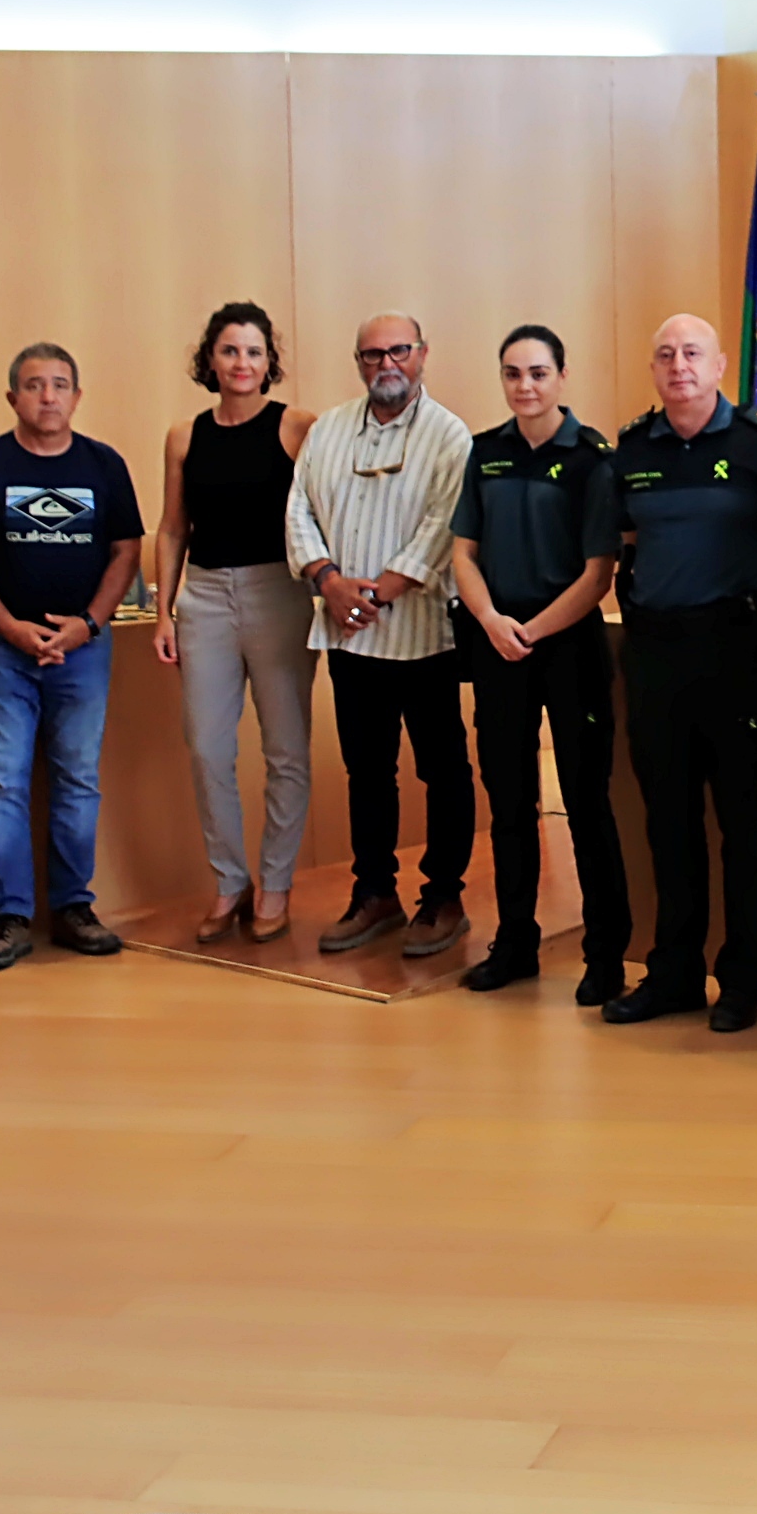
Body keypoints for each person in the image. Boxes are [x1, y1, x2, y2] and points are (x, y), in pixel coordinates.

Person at [601, 313, 757, 1033]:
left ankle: (743, 980)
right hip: (654, 651)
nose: (678, 365)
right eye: (665, 355)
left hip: (732, 648)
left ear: (719, 367)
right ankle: (674, 973)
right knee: (668, 819)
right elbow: (622, 542)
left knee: (741, 818)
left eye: (692, 353)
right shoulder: (632, 449)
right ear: (653, 370)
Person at [0, 342, 145, 973]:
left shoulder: (104, 465)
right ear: (13, 398)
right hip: (0, 650)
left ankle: (74, 908)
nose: (47, 396)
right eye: (33, 385)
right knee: (3, 780)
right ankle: (9, 918)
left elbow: (127, 551)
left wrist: (89, 624)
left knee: (77, 779)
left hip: (83, 650)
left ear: (77, 397)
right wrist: (7, 626)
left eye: (59, 385)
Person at [286, 312, 479, 961]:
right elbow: (298, 510)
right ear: (359, 362)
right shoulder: (329, 430)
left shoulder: (449, 435)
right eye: (373, 354)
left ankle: (444, 896)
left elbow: (445, 524)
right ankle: (374, 893)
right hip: (348, 636)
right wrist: (329, 581)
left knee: (442, 770)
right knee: (367, 772)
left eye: (399, 351)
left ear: (422, 354)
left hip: (425, 636)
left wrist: (378, 592)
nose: (386, 364)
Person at [448, 324, 632, 1002]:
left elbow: (598, 573)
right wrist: (493, 622)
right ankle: (515, 942)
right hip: (497, 645)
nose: (524, 385)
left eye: (537, 372)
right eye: (512, 373)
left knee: (586, 801)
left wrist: (532, 629)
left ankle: (605, 955)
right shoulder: (484, 453)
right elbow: (462, 553)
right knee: (509, 801)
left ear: (561, 376)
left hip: (569, 644)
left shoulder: (592, 458)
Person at [154, 301, 319, 943]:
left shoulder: (297, 427)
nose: (242, 363)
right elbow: (173, 528)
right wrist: (164, 611)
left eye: (254, 351)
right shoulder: (184, 435)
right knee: (207, 748)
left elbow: (322, 515)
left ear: (269, 360)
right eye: (229, 351)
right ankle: (230, 882)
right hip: (203, 597)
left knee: (287, 750)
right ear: (210, 359)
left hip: (279, 591)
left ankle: (276, 883)